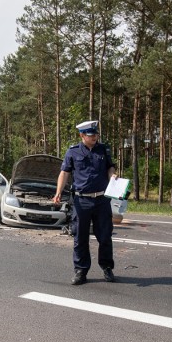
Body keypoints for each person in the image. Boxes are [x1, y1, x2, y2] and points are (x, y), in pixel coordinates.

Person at [53, 121, 117, 285]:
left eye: (96, 134)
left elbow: (110, 167)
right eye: (91, 135)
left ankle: (107, 268)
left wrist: (113, 176)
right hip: (81, 200)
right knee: (80, 237)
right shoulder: (73, 152)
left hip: (102, 199)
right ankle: (81, 270)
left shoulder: (103, 149)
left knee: (105, 236)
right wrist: (58, 192)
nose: (94, 137)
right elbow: (64, 173)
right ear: (82, 135)